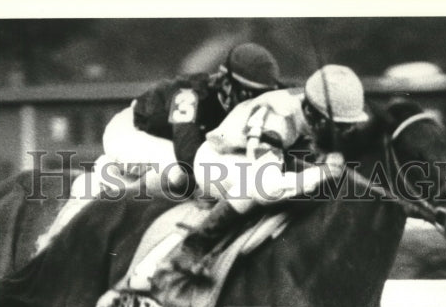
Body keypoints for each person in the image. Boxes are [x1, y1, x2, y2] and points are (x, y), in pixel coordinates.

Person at [35, 43, 282, 252]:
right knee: (179, 173)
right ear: (227, 84)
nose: (254, 103)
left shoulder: (250, 100)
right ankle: (100, 193)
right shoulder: (190, 95)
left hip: (172, 141)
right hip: (131, 131)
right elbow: (188, 155)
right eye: (249, 94)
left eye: (262, 95)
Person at [170, 64, 368, 277]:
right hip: (219, 160)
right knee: (255, 188)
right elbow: (266, 190)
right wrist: (322, 173)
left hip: (272, 154)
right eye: (340, 125)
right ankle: (195, 245)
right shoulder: (276, 120)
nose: (347, 131)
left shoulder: (316, 106)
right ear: (315, 115)